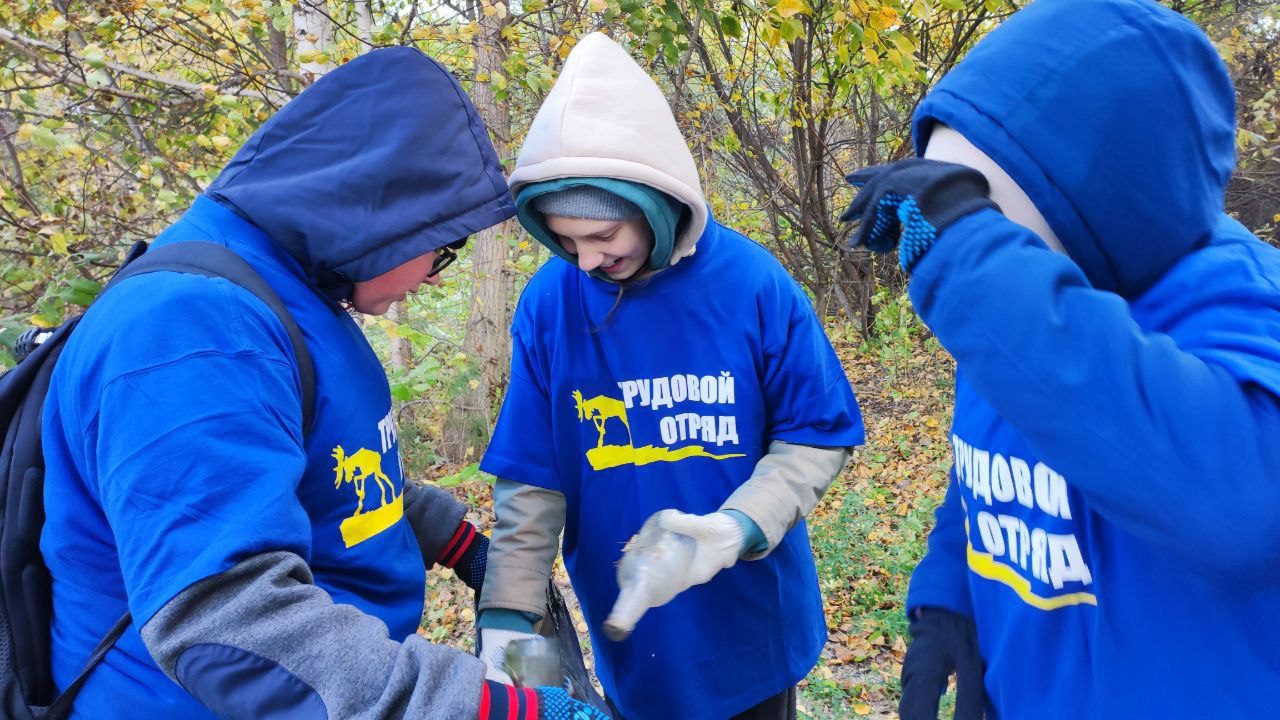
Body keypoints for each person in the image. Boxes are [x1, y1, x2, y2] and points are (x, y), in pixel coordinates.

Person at [42, 47, 605, 720]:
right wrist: (496, 711)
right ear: (384, 211)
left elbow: (321, 471)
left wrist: (453, 540)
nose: (432, 277)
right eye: (441, 250)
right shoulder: (193, 327)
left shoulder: (290, 292)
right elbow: (231, 627)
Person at [839, 1, 1280, 718]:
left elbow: (1238, 508)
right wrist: (949, 595)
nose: (964, 237)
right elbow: (995, 454)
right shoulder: (1019, 316)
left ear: (1097, 194)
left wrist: (973, 263)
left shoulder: (1245, 306)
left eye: (986, 213)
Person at [475, 33, 865, 720]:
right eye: (566, 242)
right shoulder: (550, 304)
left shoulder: (750, 284)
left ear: (652, 202)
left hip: (750, 629)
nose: (588, 260)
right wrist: (508, 611)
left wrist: (739, 525)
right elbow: (532, 483)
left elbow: (817, 434)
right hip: (632, 631)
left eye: (604, 237)